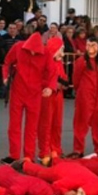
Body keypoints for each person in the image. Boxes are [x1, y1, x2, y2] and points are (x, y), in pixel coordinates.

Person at [1, 32, 52, 164]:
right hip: (18, 91)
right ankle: (14, 155)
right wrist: (5, 76)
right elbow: (7, 62)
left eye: (36, 52)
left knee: (32, 127)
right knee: (14, 125)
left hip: (35, 94)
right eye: (31, 51)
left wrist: (50, 87)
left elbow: (52, 71)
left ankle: (29, 155)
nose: (33, 54)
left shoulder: (46, 53)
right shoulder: (18, 47)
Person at [21, 159, 98, 195]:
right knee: (42, 173)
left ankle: (54, 160)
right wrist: (66, 192)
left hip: (77, 168)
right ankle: (25, 164)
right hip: (62, 170)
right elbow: (57, 184)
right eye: (81, 192)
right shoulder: (76, 181)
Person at [70, 37, 98, 157]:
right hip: (85, 96)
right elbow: (76, 79)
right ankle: (78, 150)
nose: (92, 49)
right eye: (89, 45)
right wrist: (81, 91)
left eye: (94, 45)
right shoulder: (82, 61)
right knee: (81, 123)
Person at [39, 36, 66, 165]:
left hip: (58, 96)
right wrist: (53, 85)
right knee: (46, 124)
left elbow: (64, 77)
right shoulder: (45, 62)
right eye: (61, 49)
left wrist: (63, 83)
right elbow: (40, 80)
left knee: (57, 124)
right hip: (47, 96)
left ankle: (55, 148)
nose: (62, 53)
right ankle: (44, 151)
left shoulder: (59, 63)